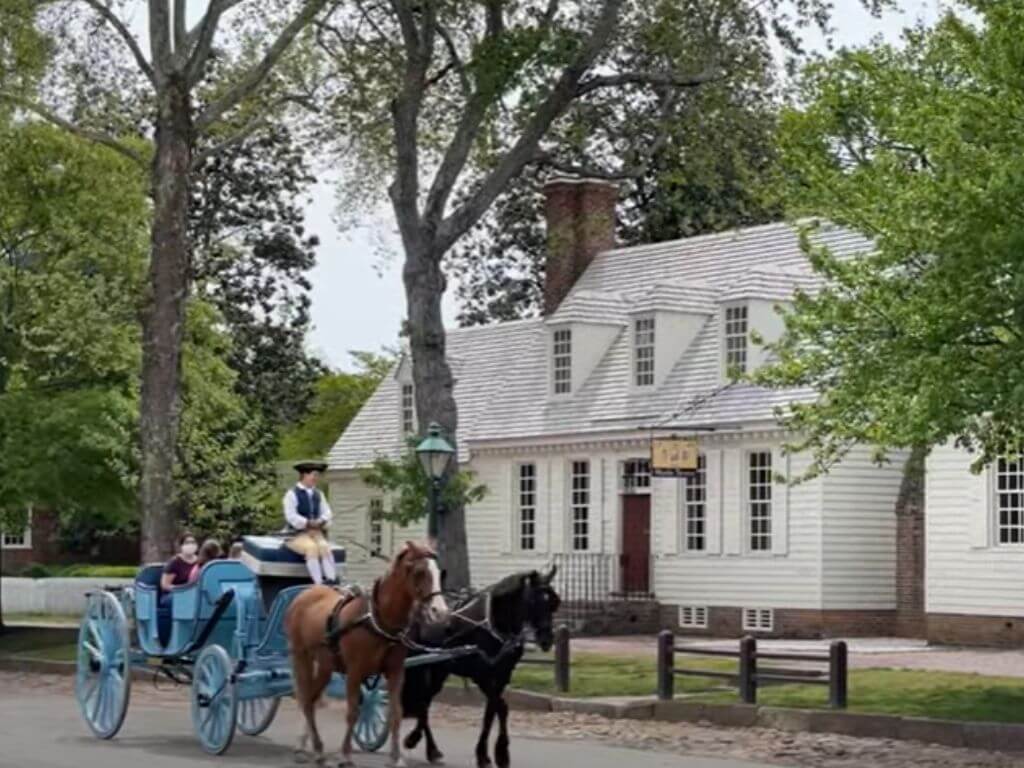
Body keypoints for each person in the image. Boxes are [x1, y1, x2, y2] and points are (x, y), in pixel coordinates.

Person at [283, 460, 337, 585]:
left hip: (316, 533)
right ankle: (318, 582)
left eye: (317, 475)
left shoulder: (318, 494)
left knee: (325, 547)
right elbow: (291, 516)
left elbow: (327, 512)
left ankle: (331, 580)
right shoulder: (292, 494)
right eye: (313, 475)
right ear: (304, 475)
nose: (315, 478)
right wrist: (307, 522)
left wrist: (321, 520)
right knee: (311, 548)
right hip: (297, 534)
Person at [158, 531, 198, 645]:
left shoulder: (199, 561)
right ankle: (174, 638)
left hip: (192, 594)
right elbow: (165, 585)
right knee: (180, 602)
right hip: (172, 595)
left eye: (193, 542)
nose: (191, 545)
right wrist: (181, 590)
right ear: (181, 545)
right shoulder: (175, 562)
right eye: (187, 542)